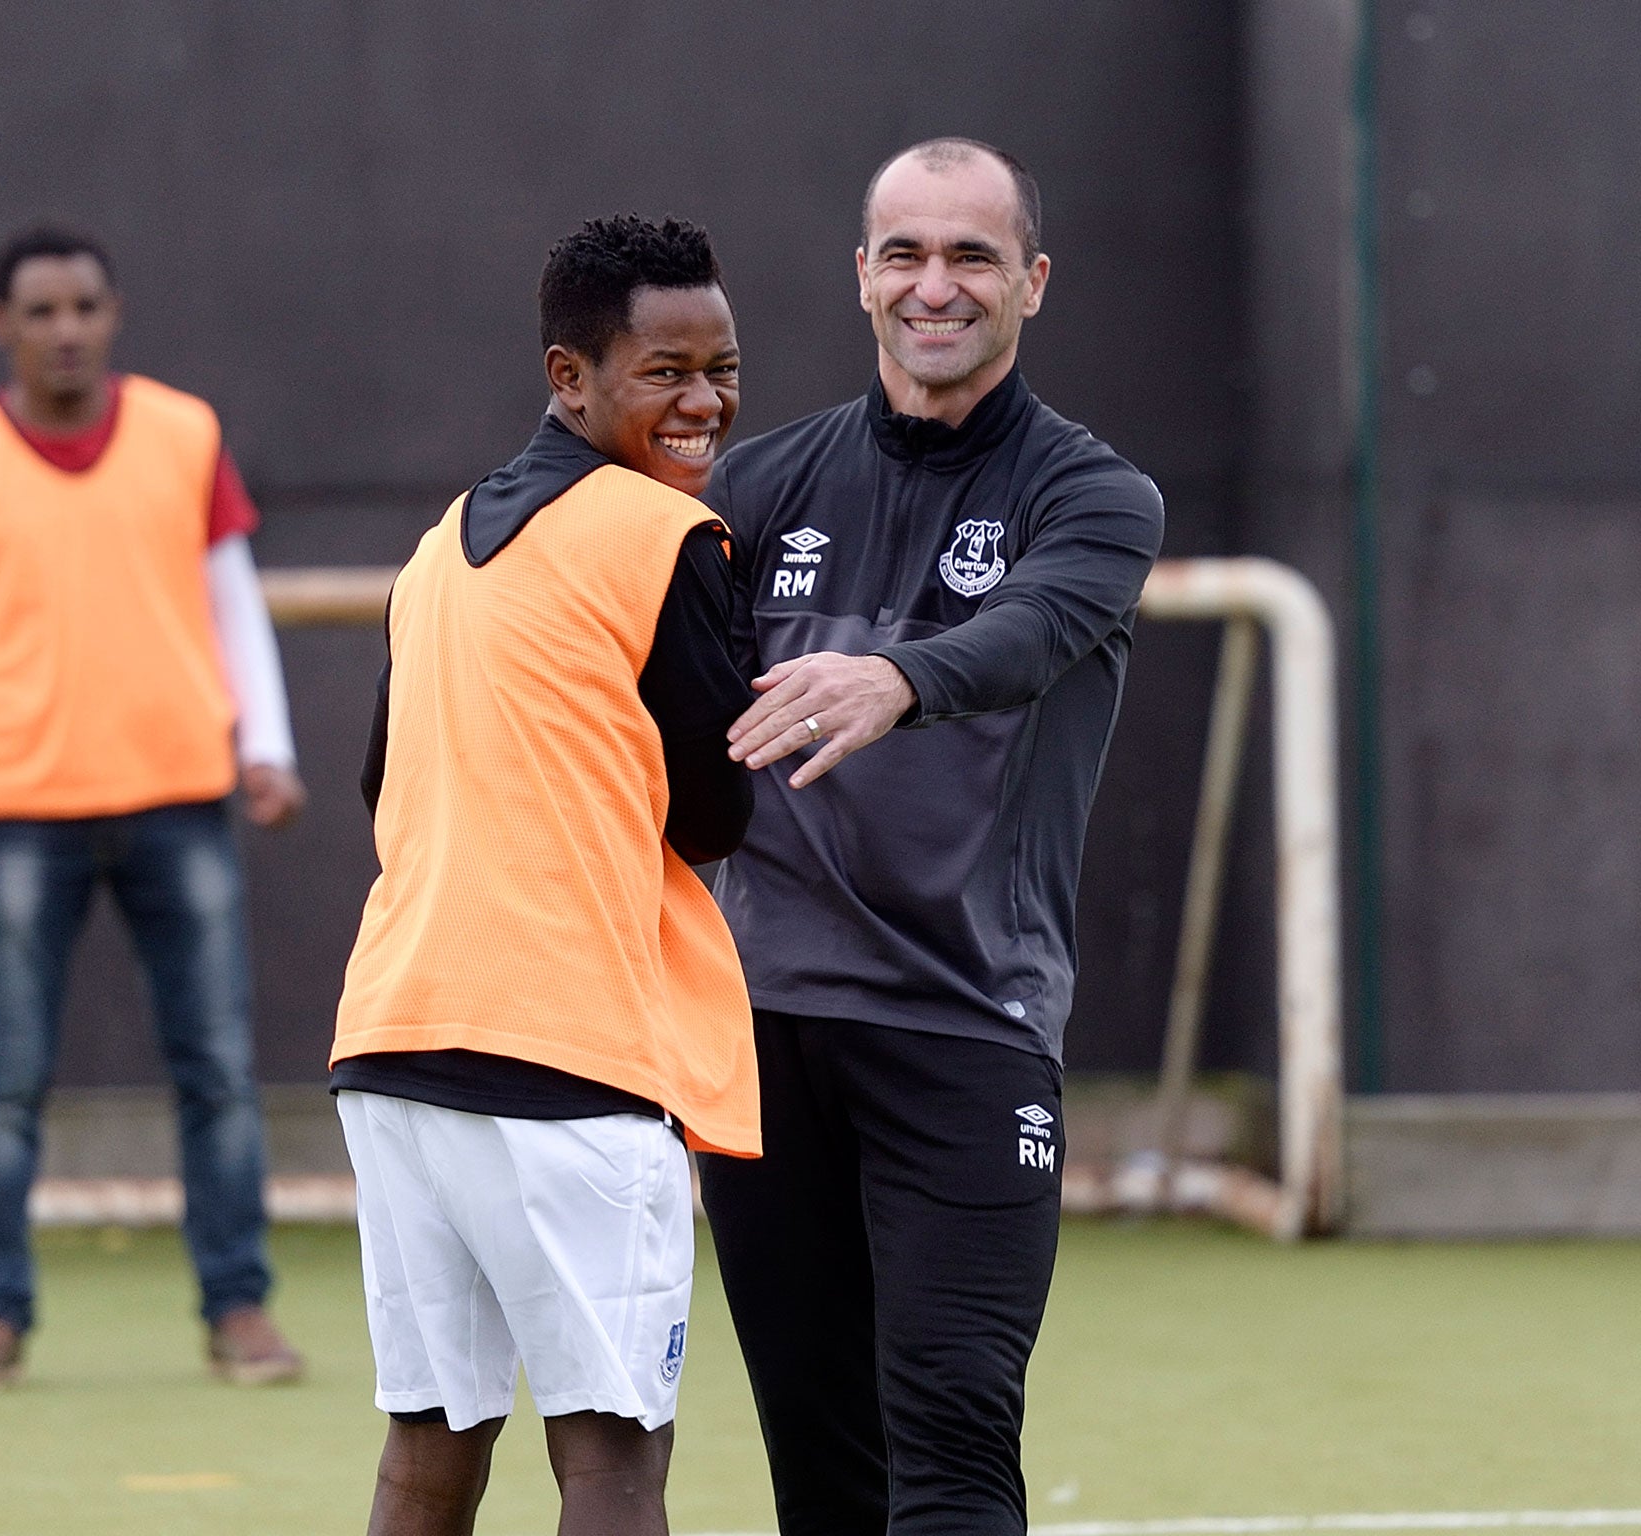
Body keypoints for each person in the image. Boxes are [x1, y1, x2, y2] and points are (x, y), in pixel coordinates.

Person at [695, 138, 1167, 1534]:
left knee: (956, 1425)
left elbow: (1023, 640)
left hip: (967, 1029)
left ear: (1031, 281)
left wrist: (900, 675)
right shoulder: (755, 489)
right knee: (822, 1467)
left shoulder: (1095, 496)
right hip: (764, 1037)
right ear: (860, 277)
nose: (934, 285)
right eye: (904, 252)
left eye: (970, 255)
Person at [329, 214, 759, 1536]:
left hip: (394, 1044)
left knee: (427, 1449)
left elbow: (378, 786)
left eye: (723, 367)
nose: (703, 402)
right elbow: (715, 807)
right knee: (614, 1460)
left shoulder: (439, 544)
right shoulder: (665, 537)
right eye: (665, 372)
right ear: (569, 378)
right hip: (569, 1061)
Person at [0, 225, 307, 1392]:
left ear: (112, 314)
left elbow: (233, 601)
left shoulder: (185, 435)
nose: (64, 328)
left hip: (179, 792)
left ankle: (239, 1309)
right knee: (5, 1080)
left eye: (83, 306)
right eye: (40, 311)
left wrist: (263, 747)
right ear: (1, 326)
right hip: (20, 805)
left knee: (219, 1068)